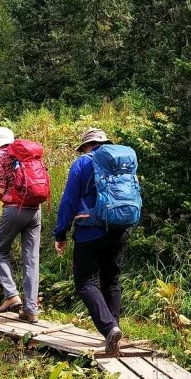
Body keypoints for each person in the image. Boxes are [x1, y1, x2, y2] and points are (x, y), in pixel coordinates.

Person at [53, 128, 139, 355]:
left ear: (86, 146)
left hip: (89, 231)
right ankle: (114, 329)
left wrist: (60, 233)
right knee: (111, 279)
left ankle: (110, 328)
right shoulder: (123, 161)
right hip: (119, 228)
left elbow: (69, 200)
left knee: (85, 282)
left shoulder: (82, 163)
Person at [0, 126, 45, 324]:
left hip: (15, 208)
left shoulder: (0, 156)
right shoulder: (26, 154)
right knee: (32, 259)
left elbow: (0, 188)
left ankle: (11, 294)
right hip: (35, 208)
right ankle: (31, 310)